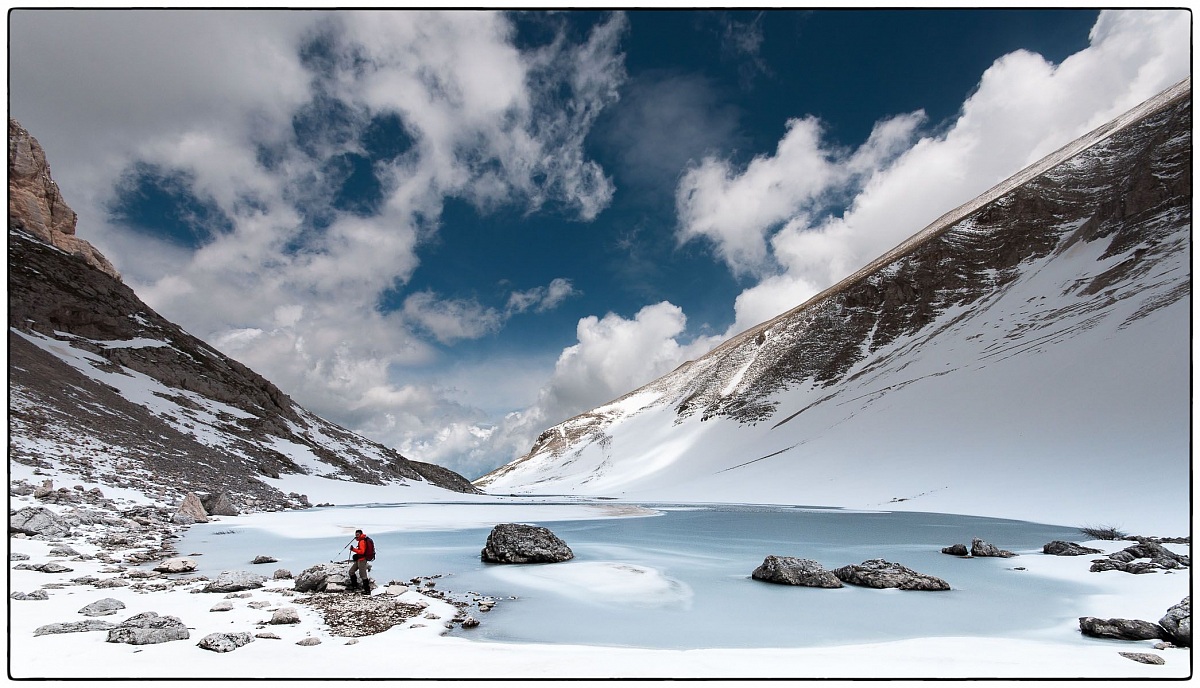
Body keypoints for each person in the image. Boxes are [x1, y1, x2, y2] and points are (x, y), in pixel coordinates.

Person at [347, 529, 373, 595]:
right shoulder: (362, 540)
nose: (356, 536)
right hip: (359, 559)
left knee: (363, 575)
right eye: (356, 535)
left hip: (362, 560)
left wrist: (353, 549)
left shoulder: (362, 541)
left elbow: (362, 552)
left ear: (361, 534)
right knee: (351, 571)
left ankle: (367, 590)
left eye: (358, 535)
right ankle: (355, 586)